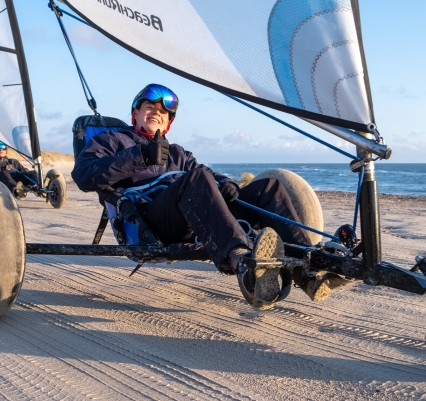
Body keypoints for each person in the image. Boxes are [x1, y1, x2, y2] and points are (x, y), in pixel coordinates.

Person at [72, 84, 351, 306]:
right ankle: (242, 260)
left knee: (269, 188)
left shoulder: (178, 153)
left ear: (168, 124)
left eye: (163, 112)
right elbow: (83, 176)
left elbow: (208, 174)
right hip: (150, 221)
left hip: (196, 217)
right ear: (135, 114)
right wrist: (139, 156)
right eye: (149, 107)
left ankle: (311, 272)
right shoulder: (111, 141)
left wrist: (226, 184)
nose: (155, 112)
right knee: (195, 180)